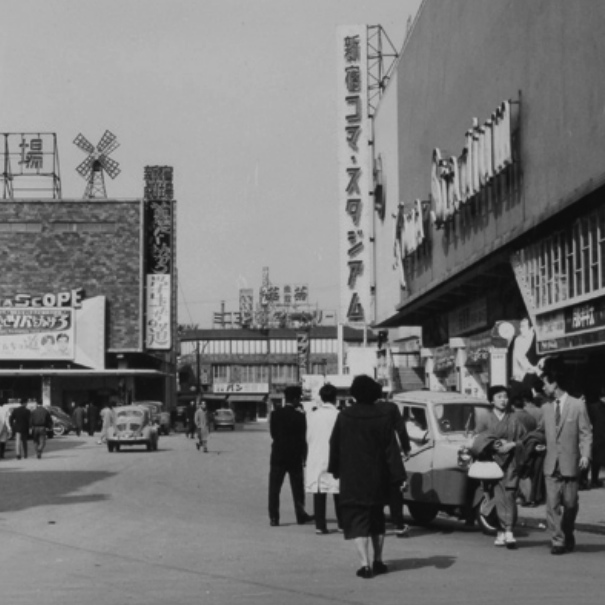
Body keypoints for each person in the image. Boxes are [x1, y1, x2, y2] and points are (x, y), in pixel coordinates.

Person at [328, 375, 406, 579]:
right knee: (377, 518)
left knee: (357, 520)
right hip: (378, 476)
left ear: (354, 393)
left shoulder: (345, 415)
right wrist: (398, 476)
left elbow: (334, 444)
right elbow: (392, 449)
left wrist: (335, 469)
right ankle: (378, 560)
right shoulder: (383, 416)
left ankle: (365, 565)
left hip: (352, 476)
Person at [537, 359, 592, 555]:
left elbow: (586, 433)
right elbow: (540, 431)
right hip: (551, 465)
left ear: (554, 384)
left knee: (570, 504)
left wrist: (585, 455)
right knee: (552, 505)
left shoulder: (578, 405)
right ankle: (558, 540)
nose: (544, 388)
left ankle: (567, 532)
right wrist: (537, 444)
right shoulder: (545, 408)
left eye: (545, 383)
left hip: (571, 463)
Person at [471, 385, 526, 549]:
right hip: (492, 464)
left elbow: (525, 439)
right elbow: (477, 440)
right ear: (491, 400)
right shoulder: (485, 418)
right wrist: (491, 444)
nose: (503, 400)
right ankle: (501, 530)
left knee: (509, 495)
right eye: (499, 397)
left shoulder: (514, 419)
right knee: (496, 497)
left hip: (511, 463)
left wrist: (513, 444)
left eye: (505, 397)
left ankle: (508, 530)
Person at [268, 385, 314, 527]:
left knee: (274, 488)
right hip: (295, 456)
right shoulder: (300, 416)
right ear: (295, 399)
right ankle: (300, 515)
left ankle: (274, 518)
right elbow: (302, 439)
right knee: (297, 488)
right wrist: (304, 457)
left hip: (278, 456)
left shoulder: (275, 414)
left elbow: (273, 434)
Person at [305, 383, 342, 535]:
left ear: (321, 397)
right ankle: (343, 524)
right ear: (335, 398)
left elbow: (307, 436)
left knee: (318, 490)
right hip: (335, 455)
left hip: (316, 454)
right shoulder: (339, 415)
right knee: (338, 490)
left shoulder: (311, 415)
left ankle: (320, 525)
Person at [375, 391, 410, 538]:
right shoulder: (391, 408)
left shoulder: (367, 408)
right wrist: (406, 447)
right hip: (390, 452)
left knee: (376, 490)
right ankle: (398, 525)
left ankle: (378, 524)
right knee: (395, 489)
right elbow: (401, 429)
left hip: (373, 454)